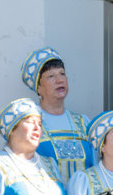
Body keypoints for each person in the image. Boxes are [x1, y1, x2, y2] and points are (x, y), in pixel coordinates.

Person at [22, 47, 95, 182]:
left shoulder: (83, 122)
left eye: (62, 74)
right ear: (38, 87)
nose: (59, 80)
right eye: (51, 76)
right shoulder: (28, 125)